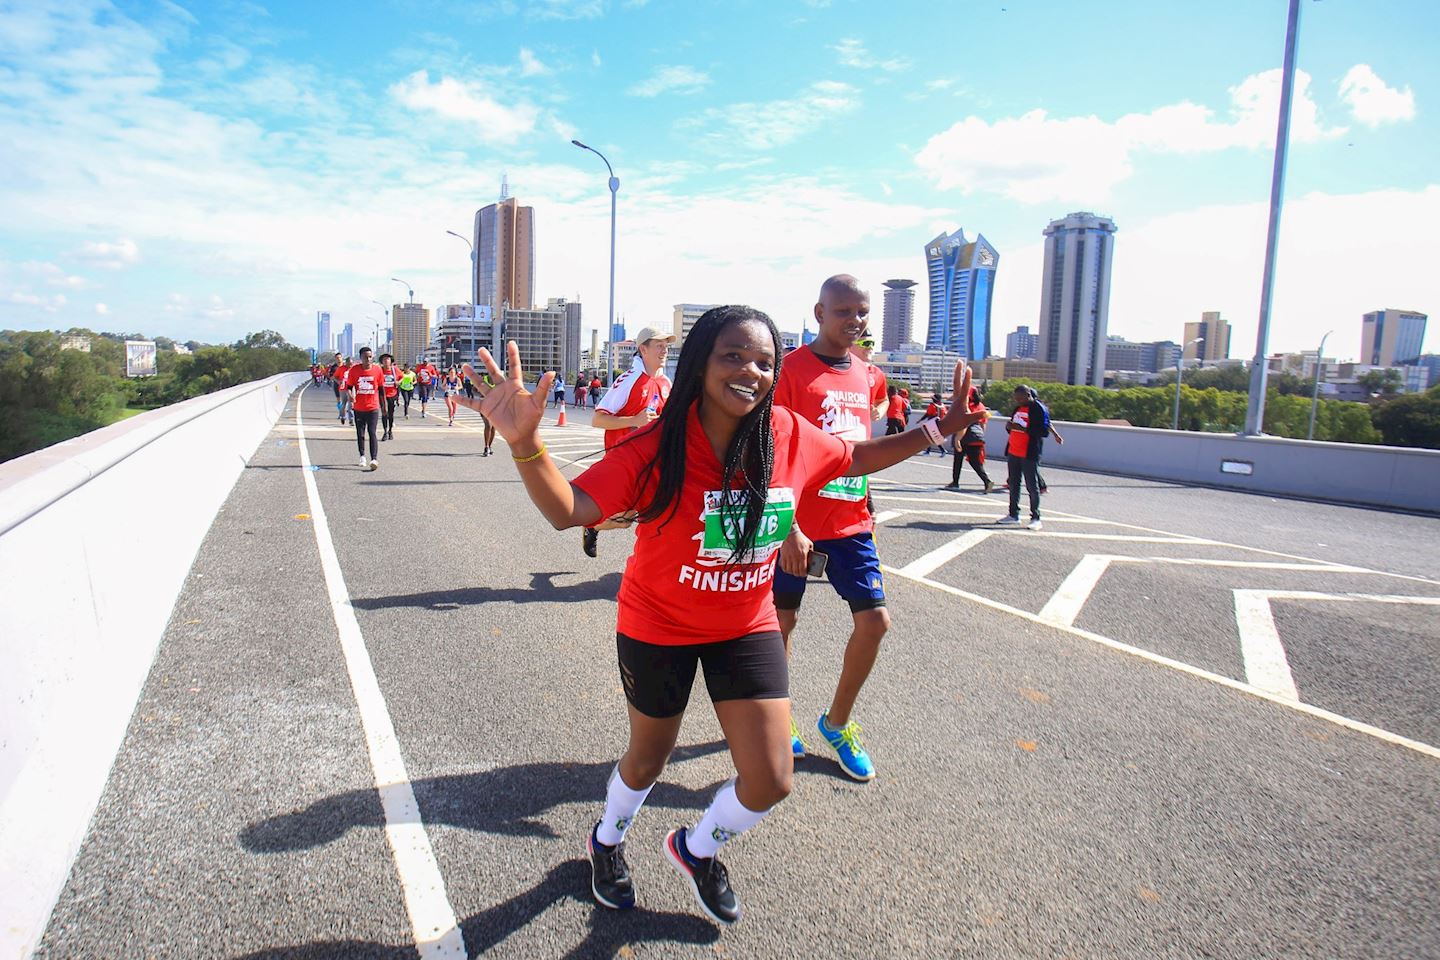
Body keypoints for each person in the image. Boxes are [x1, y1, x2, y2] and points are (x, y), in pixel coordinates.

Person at [462, 306, 981, 926]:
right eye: (732, 355)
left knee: (771, 778)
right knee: (648, 760)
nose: (751, 371)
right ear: (701, 363)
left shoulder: (788, 434)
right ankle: (606, 840)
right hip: (659, 627)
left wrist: (934, 431)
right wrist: (527, 446)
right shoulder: (658, 445)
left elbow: (854, 457)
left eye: (764, 361)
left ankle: (696, 846)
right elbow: (570, 508)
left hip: (746, 625)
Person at [769, 275, 887, 778]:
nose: (855, 321)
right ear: (819, 313)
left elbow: (860, 447)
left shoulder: (869, 374)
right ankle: (780, 718)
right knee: (782, 623)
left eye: (862, 312)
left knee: (875, 623)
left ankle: (837, 723)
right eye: (844, 312)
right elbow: (771, 449)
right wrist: (789, 527)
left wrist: (870, 504)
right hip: (797, 523)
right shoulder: (789, 371)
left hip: (851, 522)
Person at [581, 327, 676, 558]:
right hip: (624, 463)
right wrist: (635, 420)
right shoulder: (629, 380)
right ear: (643, 349)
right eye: (659, 346)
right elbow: (597, 419)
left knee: (658, 512)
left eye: (666, 346)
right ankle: (593, 525)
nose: (664, 350)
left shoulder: (665, 382)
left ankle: (650, 565)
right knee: (624, 520)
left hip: (652, 462)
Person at [999, 384, 1049, 530]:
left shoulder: (1038, 409)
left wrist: (1025, 429)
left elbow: (1043, 431)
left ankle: (1036, 517)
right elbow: (1014, 429)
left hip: (1029, 452)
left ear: (1028, 395)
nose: (1018, 401)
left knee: (1032, 486)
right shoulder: (1017, 409)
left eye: (1020, 398)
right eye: (1016, 399)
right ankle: (1013, 514)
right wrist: (1009, 427)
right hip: (1014, 451)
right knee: (1014, 484)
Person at [945, 386, 992, 493]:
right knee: (975, 462)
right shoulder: (981, 406)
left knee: (958, 460)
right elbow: (983, 423)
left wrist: (957, 438)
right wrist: (981, 436)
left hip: (964, 435)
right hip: (977, 435)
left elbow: (962, 423)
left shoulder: (964, 406)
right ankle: (986, 481)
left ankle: (955, 482)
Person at [344, 347, 384, 470]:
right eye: (366, 357)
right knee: (360, 434)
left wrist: (384, 406)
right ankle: (362, 456)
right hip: (359, 408)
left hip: (373, 407)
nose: (368, 359)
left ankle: (374, 459)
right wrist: (350, 396)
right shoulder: (354, 370)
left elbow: (381, 389)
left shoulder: (377, 370)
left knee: (372, 432)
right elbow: (349, 386)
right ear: (361, 357)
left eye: (370, 357)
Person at [379, 354, 399, 441]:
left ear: (391, 361)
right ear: (382, 362)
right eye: (384, 360)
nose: (386, 361)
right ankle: (385, 432)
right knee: (384, 412)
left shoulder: (395, 370)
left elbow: (401, 377)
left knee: (390, 414)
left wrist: (398, 382)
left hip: (392, 394)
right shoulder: (380, 370)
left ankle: (390, 430)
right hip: (383, 395)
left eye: (388, 359)